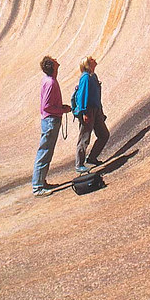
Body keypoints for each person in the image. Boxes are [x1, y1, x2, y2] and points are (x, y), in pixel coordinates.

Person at [32, 55, 72, 196]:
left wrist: (61, 107)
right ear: (52, 66)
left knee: (46, 152)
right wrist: (62, 110)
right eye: (55, 61)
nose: (58, 61)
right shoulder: (50, 82)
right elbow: (47, 106)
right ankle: (37, 187)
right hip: (50, 121)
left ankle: (41, 181)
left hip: (50, 120)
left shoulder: (48, 80)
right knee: (44, 152)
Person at [72, 55, 109, 173]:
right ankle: (79, 165)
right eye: (91, 59)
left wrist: (100, 111)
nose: (94, 59)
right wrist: (84, 112)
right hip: (88, 111)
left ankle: (92, 158)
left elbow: (96, 95)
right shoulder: (86, 78)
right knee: (84, 138)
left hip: (96, 110)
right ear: (88, 63)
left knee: (104, 135)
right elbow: (83, 95)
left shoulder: (93, 76)